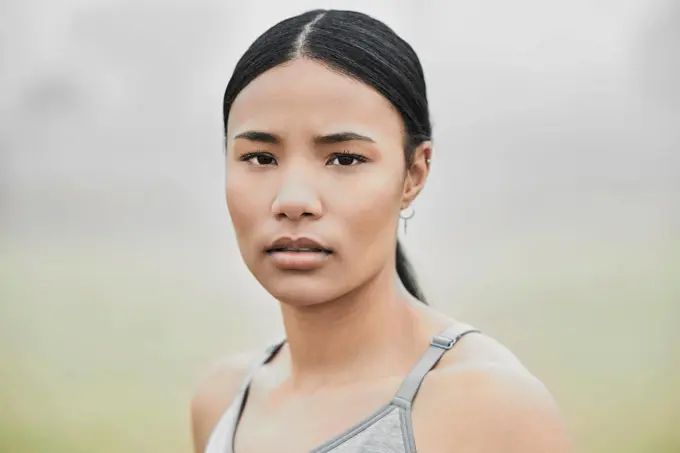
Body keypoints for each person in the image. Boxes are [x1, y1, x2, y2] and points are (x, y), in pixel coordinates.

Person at [191, 9, 572, 453]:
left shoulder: (490, 408)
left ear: (413, 173)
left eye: (345, 159)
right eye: (259, 158)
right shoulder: (224, 399)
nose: (292, 200)